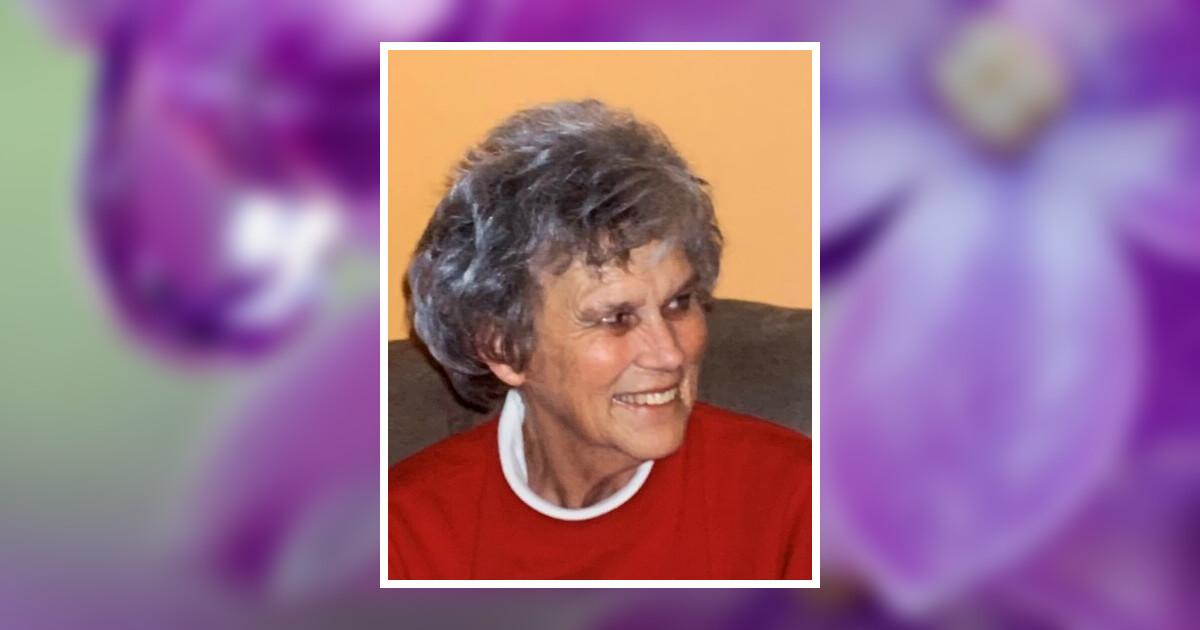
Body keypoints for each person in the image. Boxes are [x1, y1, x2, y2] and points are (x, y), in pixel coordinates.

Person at [389, 99, 811, 579]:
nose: (670, 354)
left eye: (678, 303)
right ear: (503, 348)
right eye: (617, 318)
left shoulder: (795, 501)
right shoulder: (407, 536)